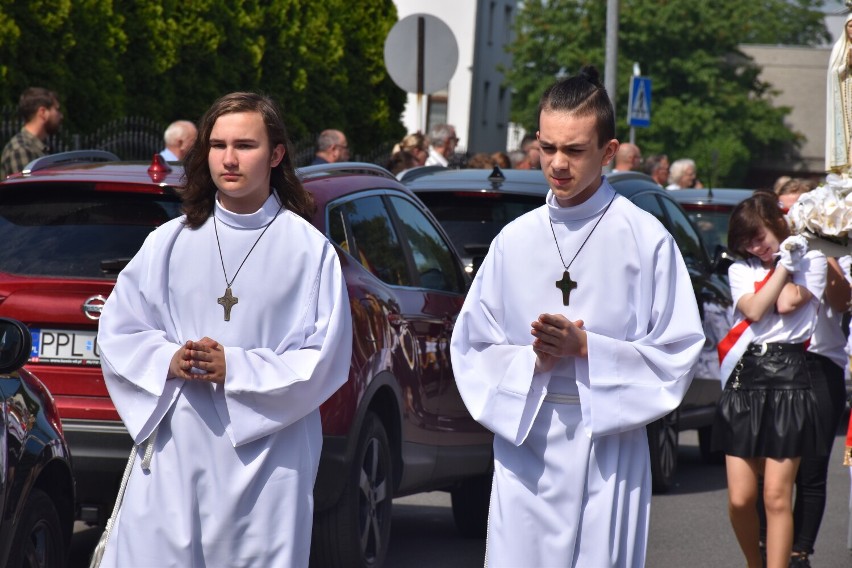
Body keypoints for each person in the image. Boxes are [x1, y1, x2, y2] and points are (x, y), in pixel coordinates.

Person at [449, 65, 704, 567]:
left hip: (606, 442)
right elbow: (472, 346)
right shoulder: (514, 240)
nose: (557, 164)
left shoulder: (645, 238)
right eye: (547, 148)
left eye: (574, 150)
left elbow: (678, 351)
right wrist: (533, 361)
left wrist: (587, 349)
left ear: (609, 152)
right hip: (528, 438)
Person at [95, 92, 352, 566]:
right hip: (178, 446)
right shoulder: (169, 241)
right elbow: (119, 331)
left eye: (245, 145)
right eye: (217, 145)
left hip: (268, 456)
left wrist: (235, 366)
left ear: (276, 154)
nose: (229, 159)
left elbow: (325, 359)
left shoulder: (309, 251)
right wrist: (167, 358)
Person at [712, 192, 827, 568]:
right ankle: (753, 562)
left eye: (759, 236)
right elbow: (757, 309)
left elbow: (787, 303)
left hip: (792, 377)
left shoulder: (811, 259)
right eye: (746, 241)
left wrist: (793, 260)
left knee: (777, 495)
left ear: (778, 224)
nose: (755, 246)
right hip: (746, 378)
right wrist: (783, 266)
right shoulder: (740, 269)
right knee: (741, 497)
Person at [0, 87, 63, 179]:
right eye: (57, 110)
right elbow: (27, 191)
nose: (61, 116)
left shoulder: (39, 147)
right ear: (43, 112)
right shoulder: (21, 150)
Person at [826, 12, 852, 173]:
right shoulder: (840, 47)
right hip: (846, 98)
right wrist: (847, 65)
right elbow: (833, 74)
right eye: (850, 26)